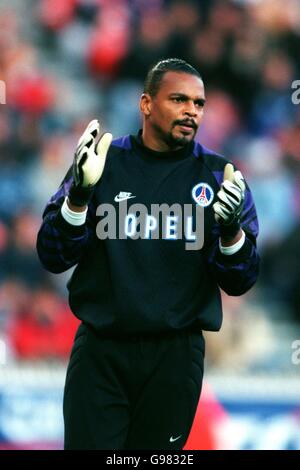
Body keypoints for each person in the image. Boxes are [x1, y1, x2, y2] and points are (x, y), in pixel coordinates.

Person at [36, 58, 260, 450]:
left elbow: (241, 279)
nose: (192, 111)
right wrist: (79, 196)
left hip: (175, 356)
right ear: (146, 104)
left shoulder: (219, 176)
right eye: (178, 99)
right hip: (101, 350)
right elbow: (52, 255)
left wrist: (231, 231)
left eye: (199, 103)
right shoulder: (103, 163)